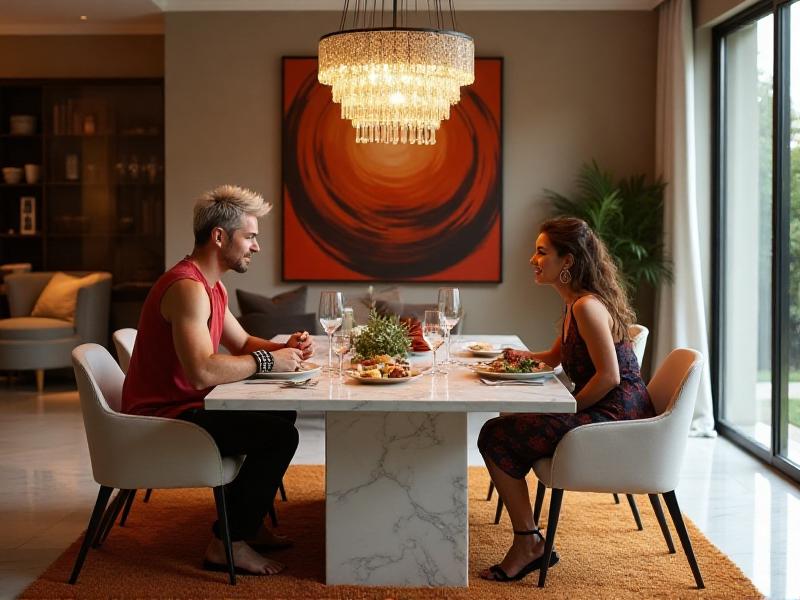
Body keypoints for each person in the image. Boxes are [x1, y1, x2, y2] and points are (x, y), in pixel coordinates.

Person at [121, 185, 314, 576]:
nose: (256, 247)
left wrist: (283, 346)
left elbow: (241, 343)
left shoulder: (212, 286)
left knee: (283, 418)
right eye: (251, 236)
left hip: (186, 408)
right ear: (220, 236)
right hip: (163, 421)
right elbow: (202, 372)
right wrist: (268, 360)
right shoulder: (187, 289)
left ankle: (245, 521)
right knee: (280, 437)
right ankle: (226, 543)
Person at [477, 217, 654, 582]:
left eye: (542, 252)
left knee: (495, 435)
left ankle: (528, 542)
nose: (533, 259)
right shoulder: (575, 304)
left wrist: (567, 406)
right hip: (609, 406)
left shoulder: (586, 307)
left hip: (617, 416)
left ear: (568, 261)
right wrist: (514, 355)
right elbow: (554, 358)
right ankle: (529, 538)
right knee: (500, 429)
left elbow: (609, 377)